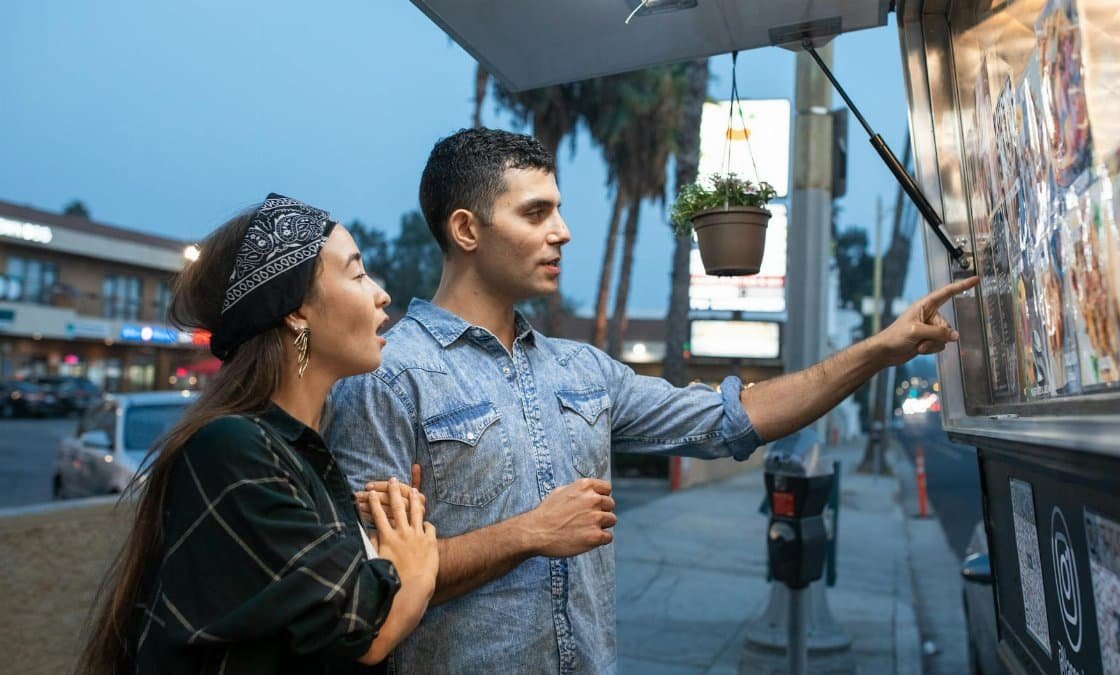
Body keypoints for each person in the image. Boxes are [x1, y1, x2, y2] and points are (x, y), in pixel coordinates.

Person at [324, 128, 978, 673]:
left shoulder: (579, 368)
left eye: (559, 208)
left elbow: (734, 416)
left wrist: (877, 351)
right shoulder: (388, 375)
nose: (564, 232)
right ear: (466, 229)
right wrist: (529, 533)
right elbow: (369, 587)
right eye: (536, 213)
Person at [77, 194, 438, 675]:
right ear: (295, 312)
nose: (381, 294)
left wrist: (378, 535)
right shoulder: (231, 447)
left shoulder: (299, 451)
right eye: (356, 273)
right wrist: (413, 563)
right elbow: (360, 632)